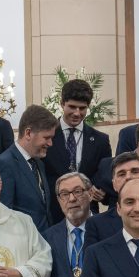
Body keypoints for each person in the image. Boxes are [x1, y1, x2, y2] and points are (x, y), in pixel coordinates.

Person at [42, 79, 112, 220]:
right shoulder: (46, 135)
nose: (77, 113)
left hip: (88, 215)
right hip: (54, 216)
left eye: (82, 108)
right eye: (72, 107)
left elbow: (105, 175)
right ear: (62, 104)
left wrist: (100, 191)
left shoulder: (100, 140)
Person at [0, 104, 59, 232]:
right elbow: (4, 214)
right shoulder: (4, 164)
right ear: (28, 133)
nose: (50, 143)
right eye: (46, 138)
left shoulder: (38, 162)